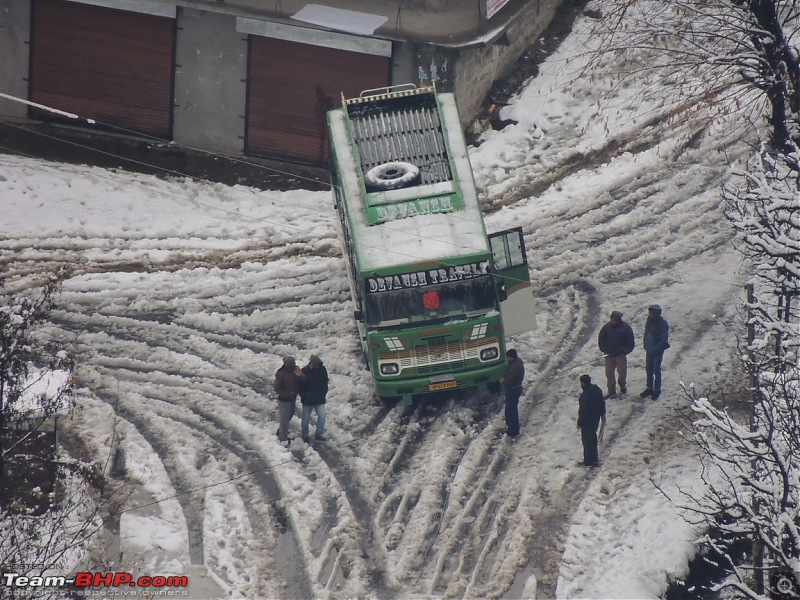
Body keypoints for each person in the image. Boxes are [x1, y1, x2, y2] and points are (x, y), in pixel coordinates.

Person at [597, 310, 635, 399]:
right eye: (612, 319)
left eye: (614, 319)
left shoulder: (625, 328)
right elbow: (601, 339)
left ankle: (622, 385)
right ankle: (611, 391)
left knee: (622, 373)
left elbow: (631, 342)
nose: (612, 321)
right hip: (609, 355)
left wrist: (624, 352)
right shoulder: (606, 327)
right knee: (609, 374)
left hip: (620, 355)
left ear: (618, 320)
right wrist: (604, 349)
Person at [576, 374, 606, 468]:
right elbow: (602, 403)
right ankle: (594, 459)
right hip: (595, 418)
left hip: (587, 422)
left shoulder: (584, 396)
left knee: (587, 441)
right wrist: (602, 414)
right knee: (593, 438)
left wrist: (579, 423)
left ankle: (588, 460)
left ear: (583, 383)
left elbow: (583, 411)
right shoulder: (597, 390)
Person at [641, 305, 670, 400]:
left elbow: (663, 339)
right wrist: (646, 345)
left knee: (656, 370)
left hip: (657, 351)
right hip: (649, 350)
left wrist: (656, 348)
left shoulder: (663, 324)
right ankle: (649, 387)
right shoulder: (649, 321)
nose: (649, 314)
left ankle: (657, 389)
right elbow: (646, 333)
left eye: (651, 312)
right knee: (648, 369)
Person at [273, 355, 304, 442]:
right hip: (284, 400)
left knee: (289, 415)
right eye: (291, 364)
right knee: (284, 418)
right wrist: (286, 394)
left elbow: (303, 380)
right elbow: (277, 388)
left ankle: (281, 431)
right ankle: (283, 438)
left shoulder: (295, 371)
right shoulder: (281, 374)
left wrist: (300, 375)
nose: (293, 365)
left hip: (292, 399)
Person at [299, 355, 329, 443]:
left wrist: (323, 392)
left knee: (322, 416)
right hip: (308, 400)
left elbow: (325, 382)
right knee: (305, 418)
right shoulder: (304, 371)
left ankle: (319, 434)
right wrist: (305, 395)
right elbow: (300, 386)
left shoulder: (322, 370)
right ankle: (305, 434)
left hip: (319, 399)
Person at [500, 348, 524, 437]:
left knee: (511, 410)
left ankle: (512, 430)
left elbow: (510, 378)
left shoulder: (514, 367)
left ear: (511, 357)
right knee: (511, 409)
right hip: (515, 388)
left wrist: (503, 381)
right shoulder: (517, 362)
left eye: (507, 357)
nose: (506, 358)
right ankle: (512, 428)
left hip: (513, 389)